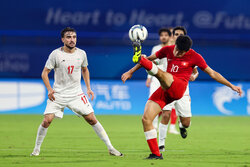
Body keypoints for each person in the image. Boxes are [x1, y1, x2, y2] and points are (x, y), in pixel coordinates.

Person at [121, 35, 242, 159]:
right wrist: (130, 71)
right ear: (175, 45)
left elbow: (213, 73)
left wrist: (231, 85)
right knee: (146, 119)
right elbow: (150, 59)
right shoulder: (167, 50)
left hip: (179, 88)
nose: (178, 53)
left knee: (163, 75)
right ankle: (156, 154)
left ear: (187, 50)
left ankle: (140, 57)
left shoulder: (195, 56)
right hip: (165, 90)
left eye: (181, 52)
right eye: (177, 50)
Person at [30, 27, 123, 157]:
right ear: (63, 39)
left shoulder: (81, 54)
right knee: (47, 121)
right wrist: (50, 90)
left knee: (91, 119)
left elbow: (85, 70)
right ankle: (36, 149)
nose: (72, 39)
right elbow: (44, 73)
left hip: (76, 94)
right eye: (68, 37)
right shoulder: (55, 54)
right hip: (58, 94)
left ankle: (111, 148)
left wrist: (88, 88)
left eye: (74, 37)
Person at [158, 26, 199, 152]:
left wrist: (194, 76)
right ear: (172, 36)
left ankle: (182, 126)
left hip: (182, 89)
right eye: (176, 34)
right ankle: (161, 144)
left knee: (186, 122)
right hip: (167, 87)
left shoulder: (190, 53)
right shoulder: (166, 50)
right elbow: (154, 61)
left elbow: (196, 71)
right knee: (166, 114)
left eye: (181, 34)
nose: (178, 36)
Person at [145, 28, 171, 131]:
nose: (164, 37)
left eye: (166, 35)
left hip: (168, 79)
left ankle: (168, 127)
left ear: (169, 37)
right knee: (154, 101)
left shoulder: (173, 49)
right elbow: (151, 63)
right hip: (156, 78)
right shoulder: (155, 48)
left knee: (167, 106)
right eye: (162, 35)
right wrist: (149, 78)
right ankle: (154, 125)